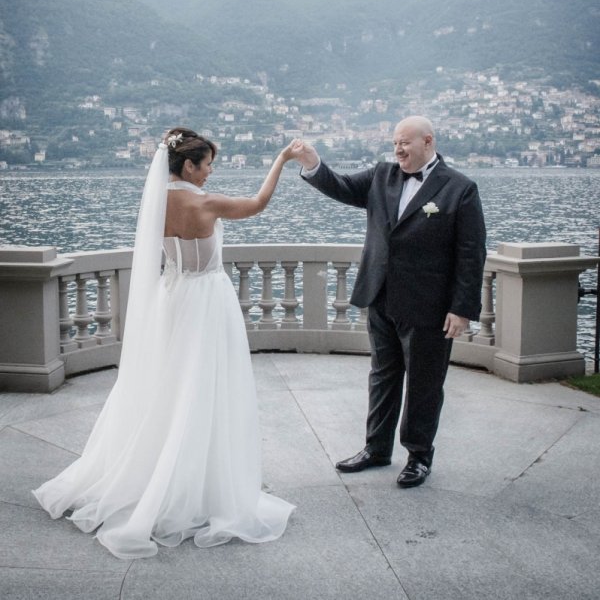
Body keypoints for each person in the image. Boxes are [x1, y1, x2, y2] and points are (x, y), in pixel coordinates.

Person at [34, 128, 301, 558]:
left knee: (169, 387)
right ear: (188, 165)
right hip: (206, 300)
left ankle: (161, 472)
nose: (211, 172)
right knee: (206, 388)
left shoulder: (156, 201)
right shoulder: (202, 202)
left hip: (171, 296)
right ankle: (198, 485)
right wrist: (281, 161)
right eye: (207, 164)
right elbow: (258, 204)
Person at [296, 115, 486, 488]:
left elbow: (471, 253)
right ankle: (376, 448)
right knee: (382, 377)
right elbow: (340, 186)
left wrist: (462, 308)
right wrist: (312, 164)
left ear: (428, 141)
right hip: (380, 295)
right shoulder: (381, 175)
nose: (398, 149)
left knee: (424, 383)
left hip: (429, 305)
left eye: (405, 142)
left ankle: (418, 455)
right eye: (395, 143)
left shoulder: (460, 188)